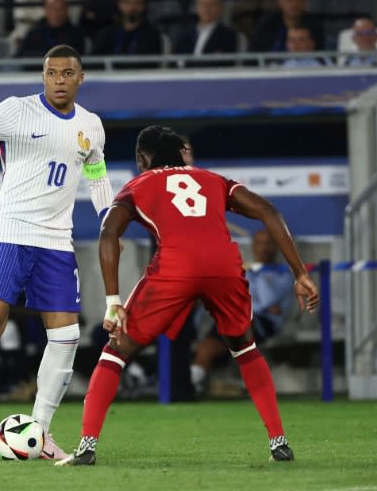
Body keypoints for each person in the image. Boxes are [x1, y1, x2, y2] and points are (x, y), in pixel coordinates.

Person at [57, 125, 319, 466]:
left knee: (115, 351)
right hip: (224, 266)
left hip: (176, 268)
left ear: (141, 159)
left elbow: (109, 233)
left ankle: (87, 447)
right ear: (181, 155)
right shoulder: (213, 179)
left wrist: (112, 301)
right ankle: (278, 442)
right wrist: (299, 273)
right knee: (245, 347)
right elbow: (269, 211)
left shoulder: (138, 184)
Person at [0, 44, 114, 462]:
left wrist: (110, 216)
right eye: (52, 72)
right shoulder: (16, 111)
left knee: (67, 335)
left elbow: (95, 175)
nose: (59, 80)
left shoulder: (91, 125)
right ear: (43, 76)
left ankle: (40, 431)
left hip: (57, 240)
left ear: (80, 78)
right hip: (9, 231)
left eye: (67, 73)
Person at [191, 229, 296, 393]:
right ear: (253, 246)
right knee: (206, 343)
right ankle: (194, 380)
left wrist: (257, 273)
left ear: (276, 247)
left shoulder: (284, 273)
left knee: (233, 324)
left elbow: (267, 300)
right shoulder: (244, 270)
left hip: (264, 324)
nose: (263, 248)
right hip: (236, 319)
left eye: (268, 243)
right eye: (259, 243)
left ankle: (196, 380)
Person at [92, 0, 163, 69]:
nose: (132, 7)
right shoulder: (105, 34)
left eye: (137, 3)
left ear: (144, 6)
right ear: (119, 3)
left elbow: (150, 66)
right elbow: (94, 63)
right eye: (127, 2)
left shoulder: (152, 35)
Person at [173, 0, 239, 67]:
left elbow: (224, 64)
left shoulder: (228, 36)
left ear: (220, 8)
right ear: (196, 7)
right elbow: (173, 63)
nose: (207, 8)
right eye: (203, 4)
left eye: (212, 4)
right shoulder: (184, 35)